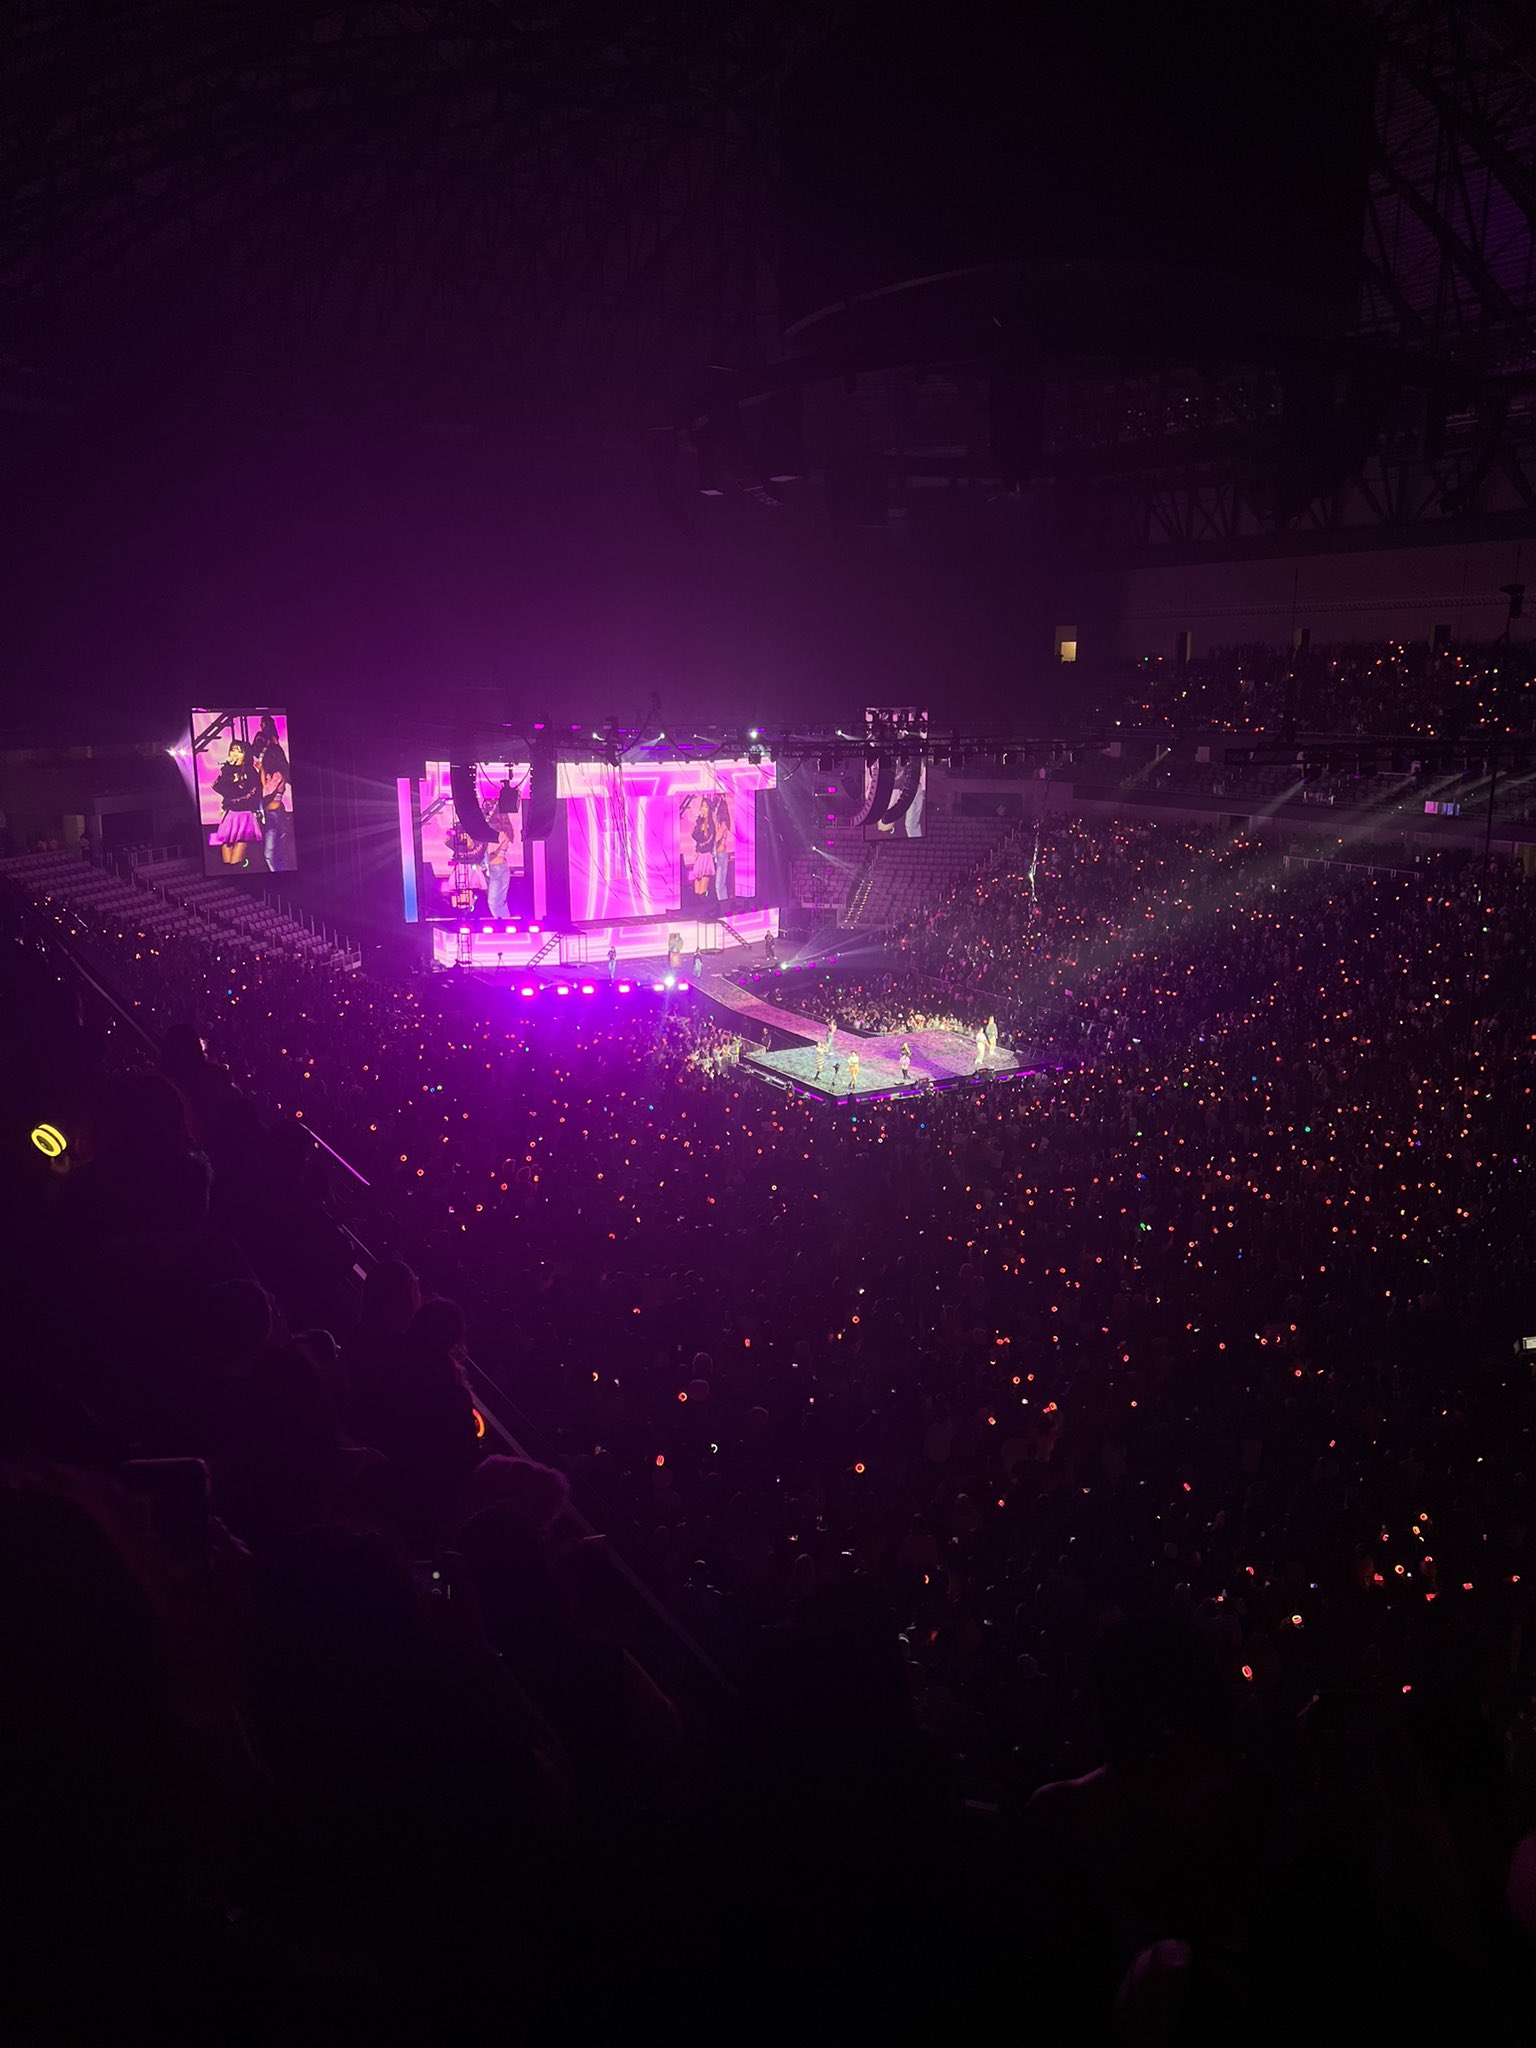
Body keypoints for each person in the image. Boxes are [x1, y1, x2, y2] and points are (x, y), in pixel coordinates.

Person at [208, 736, 263, 868]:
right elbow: (217, 787)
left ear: (245, 754)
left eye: (239, 751)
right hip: (230, 815)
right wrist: (228, 767)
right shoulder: (227, 770)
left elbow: (252, 793)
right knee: (227, 862)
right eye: (233, 750)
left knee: (236, 862)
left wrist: (232, 800)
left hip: (245, 816)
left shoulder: (250, 771)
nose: (235, 754)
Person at [254, 716, 296, 873]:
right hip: (275, 812)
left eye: (262, 724)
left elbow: (267, 789)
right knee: (276, 854)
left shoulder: (277, 774)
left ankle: (280, 874)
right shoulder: (274, 748)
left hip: (275, 813)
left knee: (273, 854)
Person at [485, 811, 515, 919]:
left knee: (494, 902)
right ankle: (504, 921)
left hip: (499, 869)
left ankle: (505, 922)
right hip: (495, 869)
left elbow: (492, 853)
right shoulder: (497, 833)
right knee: (497, 902)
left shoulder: (501, 834)